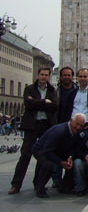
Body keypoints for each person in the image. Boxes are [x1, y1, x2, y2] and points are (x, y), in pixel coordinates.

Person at [9, 67, 58, 195]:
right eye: (42, 74)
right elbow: (28, 104)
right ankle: (16, 184)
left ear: (49, 76)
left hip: (46, 125)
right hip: (32, 125)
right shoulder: (29, 89)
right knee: (25, 155)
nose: (44, 77)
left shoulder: (52, 90)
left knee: (42, 155)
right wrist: (44, 102)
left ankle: (38, 183)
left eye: (46, 75)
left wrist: (36, 102)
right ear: (38, 75)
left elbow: (54, 106)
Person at [32, 113, 86, 198]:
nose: (78, 127)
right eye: (77, 124)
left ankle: (65, 187)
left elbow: (73, 147)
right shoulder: (59, 131)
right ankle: (40, 188)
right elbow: (47, 151)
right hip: (42, 150)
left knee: (72, 163)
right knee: (48, 165)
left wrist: (70, 157)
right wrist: (60, 162)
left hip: (57, 150)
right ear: (71, 121)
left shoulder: (76, 132)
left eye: (81, 125)